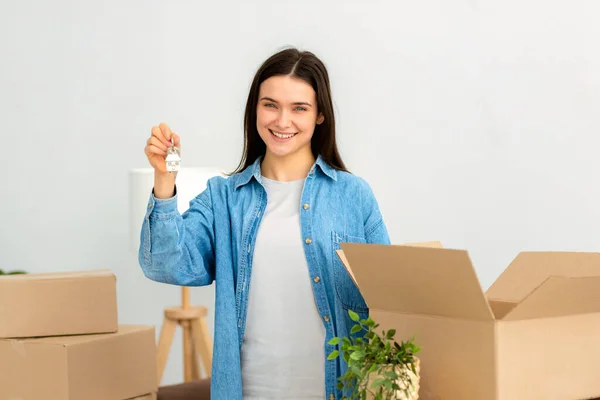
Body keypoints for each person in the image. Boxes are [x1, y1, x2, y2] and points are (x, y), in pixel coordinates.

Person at [140, 47, 391, 400]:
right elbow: (165, 265)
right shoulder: (223, 198)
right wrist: (164, 179)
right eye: (270, 104)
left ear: (320, 115)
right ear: (254, 109)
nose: (282, 121)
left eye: (299, 108)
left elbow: (390, 305)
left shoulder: (353, 196)